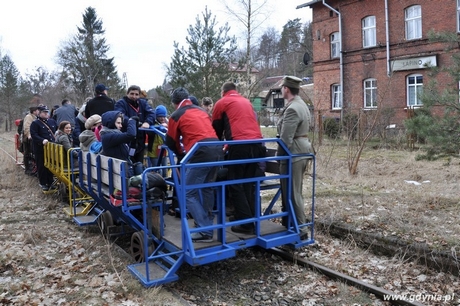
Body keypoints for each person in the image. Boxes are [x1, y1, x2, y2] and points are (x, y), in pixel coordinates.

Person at [165, 87, 224, 242]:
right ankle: (207, 224)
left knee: (188, 192)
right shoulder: (201, 111)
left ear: (174, 103)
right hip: (217, 149)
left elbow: (170, 141)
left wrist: (181, 155)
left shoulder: (176, 115)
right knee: (207, 188)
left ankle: (205, 231)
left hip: (201, 151)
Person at [212, 82, 265, 235]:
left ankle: (247, 224)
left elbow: (216, 130)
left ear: (223, 91)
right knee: (247, 184)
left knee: (234, 183)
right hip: (257, 145)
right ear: (236, 90)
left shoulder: (222, 102)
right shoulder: (246, 101)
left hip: (240, 146)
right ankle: (247, 217)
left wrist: (219, 148)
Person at [276, 76, 314, 240]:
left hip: (294, 154)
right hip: (302, 151)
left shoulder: (292, 109)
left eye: (282, 87)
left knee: (293, 192)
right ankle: (291, 224)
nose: (281, 89)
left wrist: (279, 158)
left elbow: (285, 139)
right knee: (294, 191)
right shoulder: (301, 104)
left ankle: (300, 229)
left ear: (287, 89)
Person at [114, 85, 156, 164]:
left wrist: (147, 122)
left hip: (140, 140)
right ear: (127, 93)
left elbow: (152, 113)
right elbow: (120, 115)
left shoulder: (142, 103)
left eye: (136, 94)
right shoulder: (121, 103)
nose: (134, 96)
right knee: (128, 163)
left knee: (139, 164)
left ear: (139, 95)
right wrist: (133, 122)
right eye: (132, 94)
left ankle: (138, 175)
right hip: (127, 139)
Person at [30, 106, 57, 191]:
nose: (46, 114)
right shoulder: (35, 123)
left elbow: (56, 131)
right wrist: (42, 140)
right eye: (44, 112)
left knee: (51, 166)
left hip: (51, 148)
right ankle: (43, 183)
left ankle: (50, 182)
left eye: (47, 112)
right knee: (41, 166)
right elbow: (34, 135)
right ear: (39, 113)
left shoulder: (52, 121)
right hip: (40, 148)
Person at [147, 105, 168, 176]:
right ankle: (158, 185)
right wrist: (159, 127)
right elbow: (149, 133)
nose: (162, 118)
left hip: (163, 151)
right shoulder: (152, 123)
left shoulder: (166, 124)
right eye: (160, 116)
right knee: (157, 171)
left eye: (163, 116)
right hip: (154, 152)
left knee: (165, 171)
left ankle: (165, 184)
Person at [23, 106, 40, 175]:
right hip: (28, 139)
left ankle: (34, 168)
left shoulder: (35, 117)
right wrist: (29, 135)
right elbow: (27, 127)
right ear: (34, 111)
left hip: (33, 138)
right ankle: (27, 169)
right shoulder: (29, 117)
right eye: (38, 110)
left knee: (32, 154)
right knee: (27, 153)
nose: (39, 112)